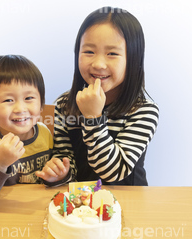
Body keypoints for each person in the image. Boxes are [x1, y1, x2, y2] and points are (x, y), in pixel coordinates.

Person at [36, 7, 159, 186]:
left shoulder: (143, 111)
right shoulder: (64, 105)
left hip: (129, 204)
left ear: (133, 59)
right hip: (81, 205)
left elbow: (113, 172)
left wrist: (93, 118)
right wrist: (59, 173)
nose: (99, 63)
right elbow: (64, 158)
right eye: (89, 52)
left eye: (112, 54)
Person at [0, 55, 69, 207]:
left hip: (40, 209)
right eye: (8, 100)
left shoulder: (46, 133)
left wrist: (57, 176)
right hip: (4, 217)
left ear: (40, 106)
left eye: (29, 98)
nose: (20, 109)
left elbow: (49, 183)